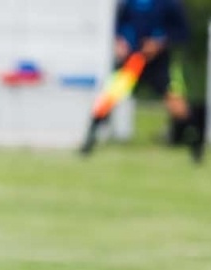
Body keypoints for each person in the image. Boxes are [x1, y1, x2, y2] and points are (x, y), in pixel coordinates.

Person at [81, 0, 204, 161]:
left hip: (159, 62)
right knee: (108, 98)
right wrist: (120, 42)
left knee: (176, 103)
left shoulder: (170, 4)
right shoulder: (130, 3)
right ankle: (88, 142)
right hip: (133, 59)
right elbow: (118, 24)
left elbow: (181, 32)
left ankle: (196, 145)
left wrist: (159, 44)